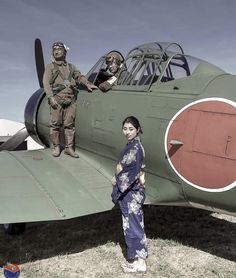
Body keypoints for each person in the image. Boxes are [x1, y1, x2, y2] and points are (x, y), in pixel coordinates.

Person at [43, 41, 97, 158]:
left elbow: (79, 76)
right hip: (57, 100)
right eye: (54, 50)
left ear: (64, 52)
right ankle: (56, 147)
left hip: (71, 101)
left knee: (69, 125)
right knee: (55, 124)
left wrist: (87, 83)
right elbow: (46, 82)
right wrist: (50, 97)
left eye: (59, 49)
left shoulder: (71, 67)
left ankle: (69, 148)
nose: (57, 51)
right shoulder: (50, 67)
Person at [111, 116, 147, 273]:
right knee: (130, 225)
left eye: (131, 129)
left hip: (131, 192)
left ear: (138, 129)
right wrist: (119, 171)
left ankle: (141, 262)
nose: (127, 132)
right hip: (130, 192)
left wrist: (117, 177)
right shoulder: (132, 145)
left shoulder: (136, 148)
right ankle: (135, 260)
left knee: (135, 226)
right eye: (125, 129)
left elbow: (128, 172)